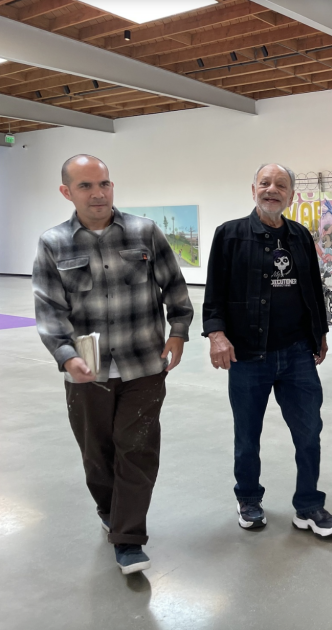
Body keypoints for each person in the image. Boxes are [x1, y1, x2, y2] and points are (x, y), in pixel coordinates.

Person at [32, 154, 193, 574]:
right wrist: (67, 359)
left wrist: (178, 333)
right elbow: (50, 312)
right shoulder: (53, 243)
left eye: (104, 183)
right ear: (67, 192)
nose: (98, 193)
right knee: (96, 455)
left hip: (144, 365)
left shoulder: (144, 232)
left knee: (138, 450)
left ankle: (129, 538)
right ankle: (109, 509)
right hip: (88, 375)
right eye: (85, 186)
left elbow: (175, 287)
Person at [202, 164, 332, 538]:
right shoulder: (229, 235)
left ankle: (309, 505)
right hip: (249, 355)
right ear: (253, 189)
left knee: (309, 432)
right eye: (265, 183)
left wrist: (320, 334)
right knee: (248, 435)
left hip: (298, 353)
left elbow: (313, 288)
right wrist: (217, 335)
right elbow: (213, 293)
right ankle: (248, 498)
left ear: (291, 195)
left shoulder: (299, 235)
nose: (272, 190)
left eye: (281, 185)